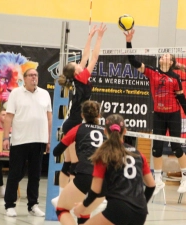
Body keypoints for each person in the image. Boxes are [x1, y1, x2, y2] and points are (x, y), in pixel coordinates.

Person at [124, 29, 186, 195]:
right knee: (156, 149)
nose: (162, 56)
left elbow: (182, 100)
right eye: (162, 55)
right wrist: (129, 42)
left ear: (171, 61)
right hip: (158, 114)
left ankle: (185, 177)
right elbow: (132, 60)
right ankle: (157, 180)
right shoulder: (152, 72)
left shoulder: (175, 78)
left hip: (173, 115)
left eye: (166, 55)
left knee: (176, 147)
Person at [53, 23, 107, 206]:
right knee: (75, 165)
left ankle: (61, 196)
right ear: (76, 71)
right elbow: (93, 57)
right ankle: (71, 199)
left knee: (68, 164)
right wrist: (99, 38)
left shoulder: (76, 79)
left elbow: (85, 56)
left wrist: (90, 36)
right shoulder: (82, 78)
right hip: (76, 125)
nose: (79, 63)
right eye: (76, 65)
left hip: (71, 123)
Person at [74, 114, 156, 225]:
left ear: (105, 131)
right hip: (140, 212)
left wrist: (82, 207)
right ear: (125, 131)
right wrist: (141, 204)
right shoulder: (138, 154)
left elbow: (95, 191)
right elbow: (151, 185)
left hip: (118, 208)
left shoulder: (104, 154)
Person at [2, 68, 53, 217]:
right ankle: (9, 205)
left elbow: (49, 118)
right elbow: (9, 117)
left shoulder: (45, 94)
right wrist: (6, 138)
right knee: (15, 173)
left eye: (36, 75)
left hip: (39, 140)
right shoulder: (16, 94)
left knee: (35, 174)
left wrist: (49, 140)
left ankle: (33, 205)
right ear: (24, 79)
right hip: (20, 140)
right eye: (30, 75)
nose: (34, 78)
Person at [53, 100, 106, 225]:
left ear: (82, 115)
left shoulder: (77, 129)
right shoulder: (106, 131)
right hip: (105, 181)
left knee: (61, 209)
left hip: (85, 174)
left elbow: (56, 152)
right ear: (99, 115)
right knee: (83, 212)